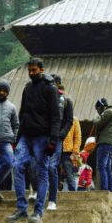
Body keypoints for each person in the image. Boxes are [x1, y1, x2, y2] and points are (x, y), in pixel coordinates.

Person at [6, 57, 60, 223]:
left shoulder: (50, 89)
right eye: (29, 70)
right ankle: (22, 208)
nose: (31, 73)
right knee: (17, 167)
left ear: (42, 70)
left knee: (42, 172)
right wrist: (18, 137)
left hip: (42, 137)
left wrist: (53, 140)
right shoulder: (27, 88)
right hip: (25, 136)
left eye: (34, 70)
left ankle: (37, 212)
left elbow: (55, 117)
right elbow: (22, 114)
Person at [47, 76, 75, 210]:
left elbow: (76, 132)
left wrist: (61, 136)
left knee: (60, 170)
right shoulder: (44, 99)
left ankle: (70, 194)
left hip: (62, 143)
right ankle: (42, 194)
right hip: (45, 137)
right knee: (41, 167)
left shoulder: (66, 102)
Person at [58, 82, 81, 194]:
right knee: (53, 172)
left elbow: (78, 137)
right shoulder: (55, 118)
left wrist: (75, 152)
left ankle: (73, 194)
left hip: (68, 151)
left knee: (69, 174)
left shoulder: (74, 120)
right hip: (55, 147)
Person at [92, 98, 112, 192]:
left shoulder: (108, 112)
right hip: (110, 144)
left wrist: (95, 119)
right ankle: (111, 190)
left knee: (101, 166)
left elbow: (98, 124)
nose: (98, 111)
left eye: (98, 109)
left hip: (104, 142)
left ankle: (104, 189)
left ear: (101, 107)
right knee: (107, 167)